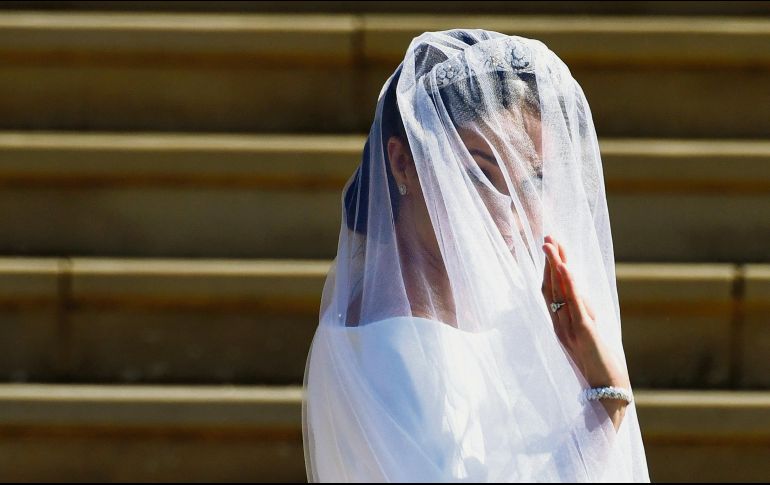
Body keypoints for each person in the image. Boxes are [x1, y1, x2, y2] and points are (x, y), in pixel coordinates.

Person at [302, 28, 650, 482]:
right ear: (403, 162)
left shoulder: (502, 314)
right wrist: (607, 403)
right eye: (482, 175)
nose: (512, 209)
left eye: (534, 182)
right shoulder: (391, 345)